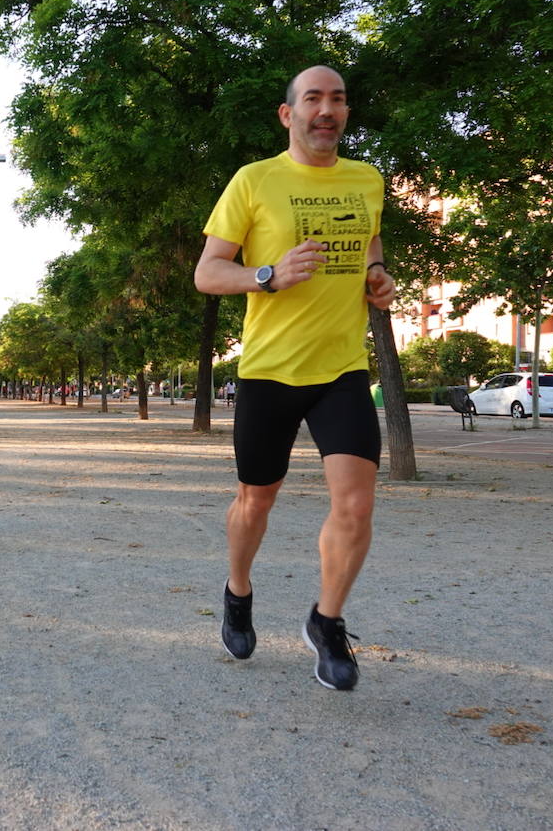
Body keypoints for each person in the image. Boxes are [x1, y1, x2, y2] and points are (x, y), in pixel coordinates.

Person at [193, 66, 397, 691]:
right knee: (256, 500)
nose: (326, 110)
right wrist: (266, 276)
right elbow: (208, 272)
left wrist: (378, 275)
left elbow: (368, 246)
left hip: (340, 370)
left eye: (337, 99)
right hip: (269, 371)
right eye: (313, 99)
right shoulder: (254, 181)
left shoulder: (367, 180)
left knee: (356, 505)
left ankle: (326, 622)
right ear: (290, 115)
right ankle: (237, 590)